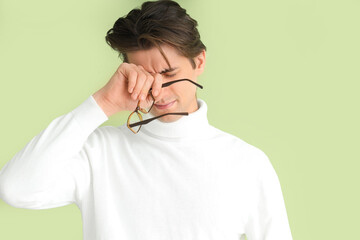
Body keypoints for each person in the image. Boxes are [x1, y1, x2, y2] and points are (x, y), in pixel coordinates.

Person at [0, 0, 293, 239]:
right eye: (146, 77)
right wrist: (102, 103)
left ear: (199, 61)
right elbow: (15, 189)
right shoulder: (99, 152)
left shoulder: (247, 163)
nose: (158, 90)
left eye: (169, 74)